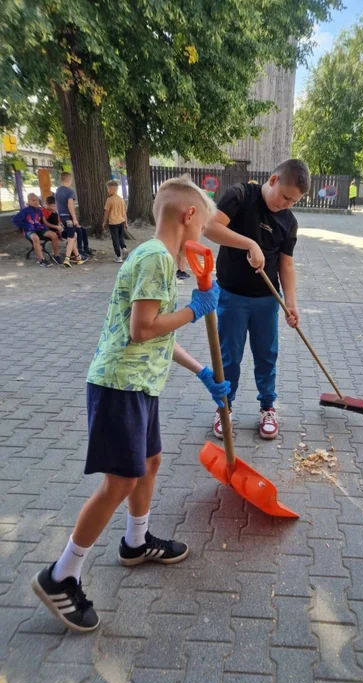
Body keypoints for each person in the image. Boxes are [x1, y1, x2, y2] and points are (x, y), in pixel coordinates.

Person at [31, 176, 230, 632]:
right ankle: (61, 574)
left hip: (138, 385)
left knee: (150, 461)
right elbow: (144, 328)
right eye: (205, 222)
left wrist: (200, 370)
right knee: (119, 481)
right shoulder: (157, 258)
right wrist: (196, 309)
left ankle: (135, 543)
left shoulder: (156, 258)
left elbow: (155, 333)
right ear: (188, 216)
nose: (206, 233)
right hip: (120, 386)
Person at [205, 159, 310, 440]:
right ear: (274, 180)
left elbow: (286, 265)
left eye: (294, 201)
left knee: (267, 357)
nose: (287, 204)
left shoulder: (289, 222)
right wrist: (249, 243)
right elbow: (210, 228)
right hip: (232, 297)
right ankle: (224, 408)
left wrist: (291, 302)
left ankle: (267, 407)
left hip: (266, 300)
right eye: (286, 196)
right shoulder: (240, 195)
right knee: (230, 358)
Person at [12, 193, 61, 267]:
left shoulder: (39, 211)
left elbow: (45, 222)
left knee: (54, 235)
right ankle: (42, 260)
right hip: (29, 231)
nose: (36, 202)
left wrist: (56, 226)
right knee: (35, 238)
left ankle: (56, 256)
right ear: (28, 201)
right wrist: (26, 226)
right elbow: (15, 220)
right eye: (33, 200)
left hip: (39, 229)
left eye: (37, 200)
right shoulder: (24, 211)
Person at [55, 172, 88, 267]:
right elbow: (70, 206)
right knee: (71, 238)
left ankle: (77, 256)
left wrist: (58, 219)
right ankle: (67, 258)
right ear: (70, 180)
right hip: (68, 217)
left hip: (61, 217)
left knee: (74, 235)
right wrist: (74, 218)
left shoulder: (57, 191)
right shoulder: (70, 192)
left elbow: (57, 206)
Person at [103, 180, 128, 263]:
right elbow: (124, 213)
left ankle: (118, 256)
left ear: (111, 189)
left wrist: (104, 221)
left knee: (115, 239)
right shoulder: (121, 200)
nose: (107, 190)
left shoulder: (109, 200)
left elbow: (106, 212)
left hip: (113, 222)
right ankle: (124, 248)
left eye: (108, 189)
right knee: (121, 237)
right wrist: (126, 223)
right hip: (121, 221)